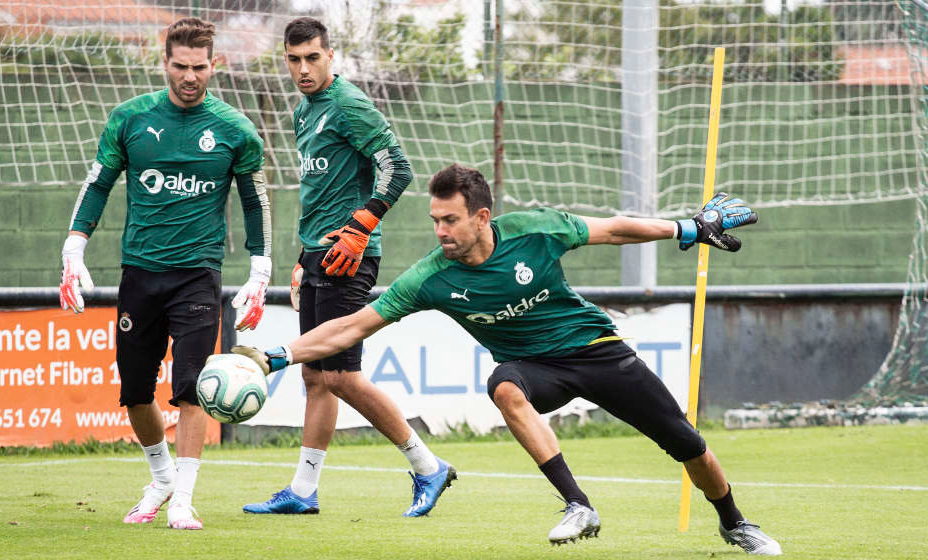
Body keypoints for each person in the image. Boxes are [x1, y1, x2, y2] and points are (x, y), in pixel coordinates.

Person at [233, 164, 783, 555]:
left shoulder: (535, 230)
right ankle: (577, 505)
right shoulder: (431, 276)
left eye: (450, 220)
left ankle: (735, 523)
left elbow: (614, 230)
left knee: (687, 445)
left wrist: (687, 228)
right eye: (435, 221)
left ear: (482, 217)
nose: (441, 231)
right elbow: (352, 326)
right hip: (532, 368)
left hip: (594, 351)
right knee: (503, 387)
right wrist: (273, 356)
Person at [58, 17, 274, 530]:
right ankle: (161, 479)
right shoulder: (129, 119)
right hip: (141, 272)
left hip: (198, 274)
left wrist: (260, 266)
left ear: (213, 65)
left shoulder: (235, 129)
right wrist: (73, 247)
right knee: (134, 391)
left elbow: (255, 201)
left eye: (200, 67)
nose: (190, 76)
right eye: (181, 66)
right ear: (165, 63)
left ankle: (184, 499)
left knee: (192, 387)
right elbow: (97, 184)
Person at [239, 17, 455, 518]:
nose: (303, 68)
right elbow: (319, 192)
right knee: (316, 377)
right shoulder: (303, 112)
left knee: (342, 377)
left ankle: (427, 466)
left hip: (348, 254)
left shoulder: (349, 104)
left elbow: (398, 167)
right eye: (293, 59)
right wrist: (300, 259)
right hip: (318, 254)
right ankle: (303, 490)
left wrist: (361, 225)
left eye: (313, 57)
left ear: (330, 56)